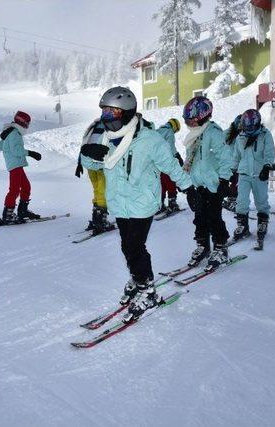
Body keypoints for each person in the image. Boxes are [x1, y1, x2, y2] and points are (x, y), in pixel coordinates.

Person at [79, 87, 193, 321]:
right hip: (119, 203)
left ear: (128, 112)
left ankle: (147, 289)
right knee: (126, 246)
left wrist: (189, 187)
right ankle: (137, 276)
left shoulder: (150, 139)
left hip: (142, 203)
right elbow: (96, 164)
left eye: (113, 112)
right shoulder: (105, 137)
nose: (107, 117)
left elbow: (170, 166)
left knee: (134, 246)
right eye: (105, 111)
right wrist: (89, 155)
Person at [181, 96, 233, 271]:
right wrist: (186, 182)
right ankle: (203, 246)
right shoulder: (195, 135)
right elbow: (190, 159)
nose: (189, 123)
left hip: (213, 185)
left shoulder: (214, 133)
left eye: (191, 119)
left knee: (214, 218)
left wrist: (225, 180)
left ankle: (221, 248)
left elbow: (226, 158)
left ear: (202, 116)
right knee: (199, 218)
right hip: (198, 185)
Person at [0, 111, 43, 225]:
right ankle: (8, 215)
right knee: (14, 190)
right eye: (27, 123)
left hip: (16, 165)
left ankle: (22, 211)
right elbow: (16, 151)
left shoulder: (10, 131)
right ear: (22, 122)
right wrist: (31, 153)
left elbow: (0, 145)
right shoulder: (14, 133)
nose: (28, 125)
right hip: (15, 165)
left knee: (26, 186)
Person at [231, 109, 275, 241]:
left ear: (257, 124)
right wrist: (233, 171)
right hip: (244, 173)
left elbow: (269, 152)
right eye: (247, 126)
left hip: (259, 173)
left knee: (261, 200)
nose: (249, 129)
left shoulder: (265, 135)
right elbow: (236, 156)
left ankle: (262, 222)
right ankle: (242, 226)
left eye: (252, 126)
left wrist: (267, 167)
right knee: (241, 200)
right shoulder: (240, 137)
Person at [76, 118, 115, 233]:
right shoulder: (111, 127)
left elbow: (84, 144)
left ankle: (96, 217)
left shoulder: (92, 127)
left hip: (89, 163)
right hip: (100, 164)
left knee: (97, 190)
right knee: (102, 191)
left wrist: (79, 163)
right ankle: (100, 220)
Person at [156, 118, 184, 214]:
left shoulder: (158, 131)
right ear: (175, 127)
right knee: (170, 180)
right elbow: (171, 148)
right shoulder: (169, 132)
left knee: (161, 183)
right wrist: (178, 157)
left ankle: (160, 205)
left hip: (155, 163)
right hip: (165, 161)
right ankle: (172, 203)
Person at [222, 114, 242, 212]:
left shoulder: (244, 135)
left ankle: (232, 199)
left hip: (238, 164)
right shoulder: (226, 134)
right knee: (233, 182)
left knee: (236, 183)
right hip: (229, 164)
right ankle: (231, 200)